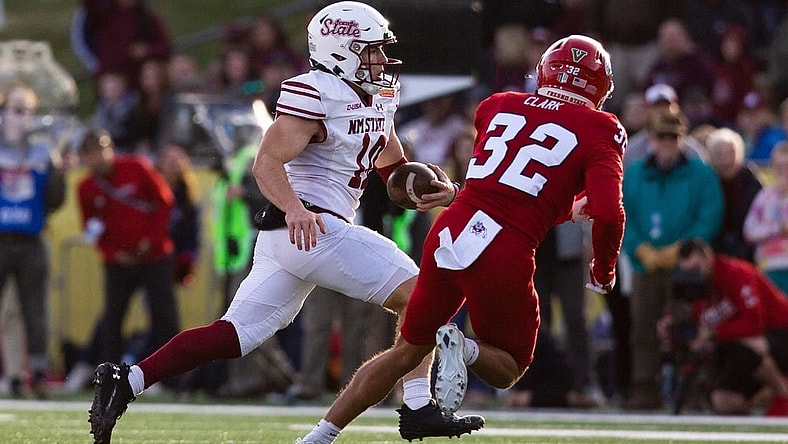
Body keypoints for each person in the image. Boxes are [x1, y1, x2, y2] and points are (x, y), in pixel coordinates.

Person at [87, 3, 482, 444]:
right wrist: (296, 207)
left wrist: (427, 187)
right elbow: (266, 163)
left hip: (295, 240)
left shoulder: (379, 98)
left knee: (235, 336)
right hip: (311, 227)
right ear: (340, 52)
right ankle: (417, 407)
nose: (382, 60)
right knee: (423, 294)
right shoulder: (315, 92)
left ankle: (128, 380)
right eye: (370, 51)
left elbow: (393, 170)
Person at [298, 34, 626, 443]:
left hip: (452, 228)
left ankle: (319, 437)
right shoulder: (602, 127)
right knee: (509, 367)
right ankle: (462, 348)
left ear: (546, 70)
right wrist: (603, 268)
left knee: (405, 351)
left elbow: (503, 184)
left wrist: (560, 207)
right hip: (505, 248)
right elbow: (609, 213)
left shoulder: (498, 105)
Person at [621, 107, 723, 410]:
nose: (667, 142)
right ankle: (644, 390)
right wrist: (640, 249)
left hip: (686, 267)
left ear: (682, 139)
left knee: (688, 325)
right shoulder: (636, 173)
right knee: (642, 329)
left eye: (673, 137)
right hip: (645, 263)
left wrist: (682, 250)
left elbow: (710, 214)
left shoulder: (700, 173)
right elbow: (621, 215)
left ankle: (692, 391)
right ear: (651, 139)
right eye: (661, 136)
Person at [77, 128, 180, 371]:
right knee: (113, 318)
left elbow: (164, 202)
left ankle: (173, 375)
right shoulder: (86, 188)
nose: (99, 157)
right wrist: (114, 254)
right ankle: (108, 373)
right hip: (119, 262)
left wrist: (150, 240)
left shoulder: (137, 167)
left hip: (154, 257)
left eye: (101, 150)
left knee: (163, 315)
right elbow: (91, 229)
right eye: (91, 153)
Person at [0, 82, 66, 398]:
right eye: (15, 109)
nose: (22, 117)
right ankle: (13, 375)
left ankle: (37, 373)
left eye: (28, 111)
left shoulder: (43, 151)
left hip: (29, 239)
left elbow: (54, 199)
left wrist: (58, 172)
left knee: (35, 311)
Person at [671, 239, 788, 416]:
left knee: (750, 344)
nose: (693, 275)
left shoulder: (737, 273)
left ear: (708, 258)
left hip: (779, 332)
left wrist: (713, 333)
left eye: (696, 268)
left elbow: (753, 324)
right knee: (723, 401)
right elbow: (701, 330)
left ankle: (783, 395)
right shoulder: (696, 289)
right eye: (687, 271)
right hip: (738, 352)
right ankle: (764, 397)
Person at [705, 127, 762, 262]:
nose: (726, 161)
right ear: (711, 158)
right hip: (713, 251)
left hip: (747, 251)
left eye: (730, 153)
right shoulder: (705, 185)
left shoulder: (753, 184)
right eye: (719, 155)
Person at [743, 141, 788, 294]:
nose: (783, 171)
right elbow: (749, 230)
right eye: (779, 166)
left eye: (787, 166)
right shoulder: (765, 196)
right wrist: (777, 228)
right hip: (768, 267)